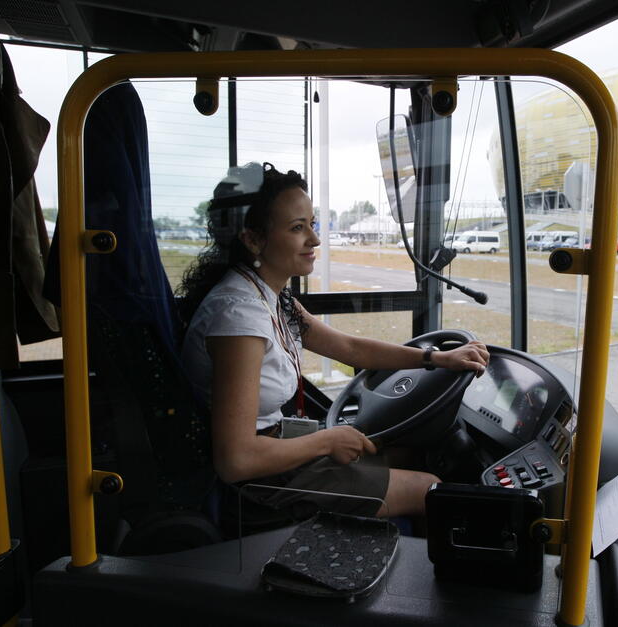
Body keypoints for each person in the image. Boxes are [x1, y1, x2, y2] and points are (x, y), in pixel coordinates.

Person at [178, 162, 488, 528]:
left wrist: (435, 358)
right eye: (297, 228)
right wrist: (327, 442)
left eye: (312, 223)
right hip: (261, 484)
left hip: (279, 451)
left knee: (406, 453)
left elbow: (350, 349)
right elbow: (236, 460)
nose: (315, 239)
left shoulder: (269, 295)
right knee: (429, 487)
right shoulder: (238, 316)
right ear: (253, 239)